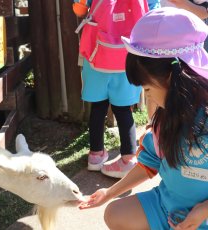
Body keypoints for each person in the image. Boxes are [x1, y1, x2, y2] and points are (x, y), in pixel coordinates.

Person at [79, 7, 208, 230]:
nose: (146, 95)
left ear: (172, 77)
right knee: (115, 213)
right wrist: (109, 193)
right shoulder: (165, 118)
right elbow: (150, 163)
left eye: (147, 88)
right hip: (166, 207)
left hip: (202, 217)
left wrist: (204, 210)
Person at [73, 0, 148, 178]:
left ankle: (96, 155)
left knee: (98, 108)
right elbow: (150, 14)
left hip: (97, 54)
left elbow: (79, 10)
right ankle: (128, 158)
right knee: (123, 111)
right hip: (126, 56)